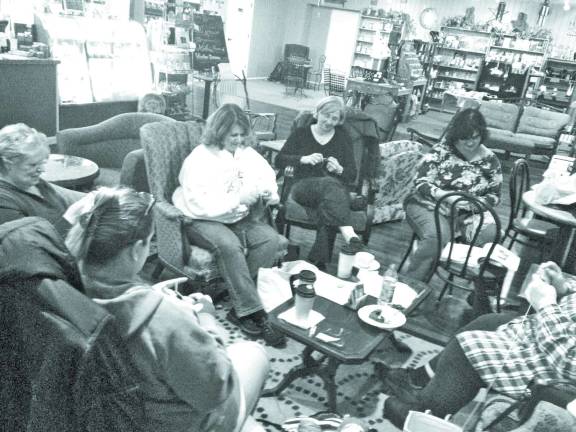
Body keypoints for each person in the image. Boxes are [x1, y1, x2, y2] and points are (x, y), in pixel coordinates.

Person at [65, 187, 270, 432]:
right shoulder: (165, 320)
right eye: (150, 241)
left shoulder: (62, 289)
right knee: (255, 353)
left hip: (110, 414)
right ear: (136, 250)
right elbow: (215, 392)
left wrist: (157, 301)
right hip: (167, 424)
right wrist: (205, 319)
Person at [381, 261, 576, 429]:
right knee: (488, 321)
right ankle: (419, 379)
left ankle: (427, 412)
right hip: (555, 334)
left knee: (468, 348)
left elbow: (566, 359)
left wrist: (546, 305)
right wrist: (565, 289)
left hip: (559, 372)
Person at [172, 103, 287, 347]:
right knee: (229, 245)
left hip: (235, 217)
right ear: (219, 131)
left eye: (242, 134)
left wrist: (270, 193)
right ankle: (253, 312)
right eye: (232, 135)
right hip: (200, 218)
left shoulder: (246, 153)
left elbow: (266, 176)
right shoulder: (200, 158)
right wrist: (236, 199)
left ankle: (239, 305)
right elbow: (197, 202)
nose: (238, 140)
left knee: (269, 239)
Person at [403, 108, 503, 281]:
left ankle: (480, 291)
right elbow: (421, 182)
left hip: (468, 213)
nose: (471, 143)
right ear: (456, 135)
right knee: (437, 236)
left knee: (491, 237)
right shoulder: (441, 151)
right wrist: (445, 195)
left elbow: (495, 194)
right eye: (465, 138)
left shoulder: (490, 159)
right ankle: (411, 284)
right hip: (429, 205)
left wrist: (475, 203)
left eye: (475, 137)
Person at [275, 96, 363, 269]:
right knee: (333, 188)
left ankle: (319, 260)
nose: (329, 121)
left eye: (334, 118)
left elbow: (351, 174)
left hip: (331, 193)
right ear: (317, 113)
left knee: (331, 197)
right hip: (303, 187)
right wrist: (303, 159)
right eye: (326, 115)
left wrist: (339, 169)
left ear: (339, 121)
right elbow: (279, 160)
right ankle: (348, 228)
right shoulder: (301, 133)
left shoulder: (342, 138)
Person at [0, 123, 84, 234]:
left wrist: (97, 197)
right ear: (8, 164)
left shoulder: (33, 183)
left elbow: (66, 194)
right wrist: (70, 218)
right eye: (33, 165)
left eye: (42, 163)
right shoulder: (4, 202)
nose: (42, 169)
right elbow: (33, 246)